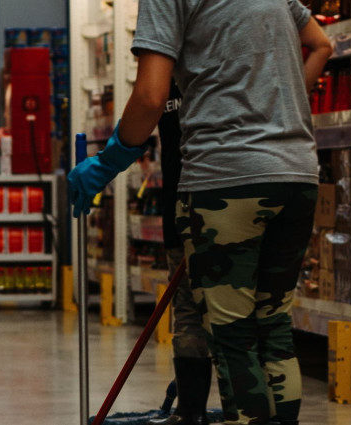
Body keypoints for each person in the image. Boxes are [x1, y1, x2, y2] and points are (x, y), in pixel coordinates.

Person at [68, 1, 333, 424]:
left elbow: (152, 94)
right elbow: (321, 43)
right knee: (275, 330)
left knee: (233, 337)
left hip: (225, 179)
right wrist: (281, 115)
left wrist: (109, 161)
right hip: (296, 173)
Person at [146, 82, 214, 425]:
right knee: (235, 315)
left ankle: (191, 413)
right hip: (225, 207)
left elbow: (137, 128)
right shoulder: (219, 67)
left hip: (179, 207)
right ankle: (244, 410)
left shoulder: (161, 77)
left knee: (187, 314)